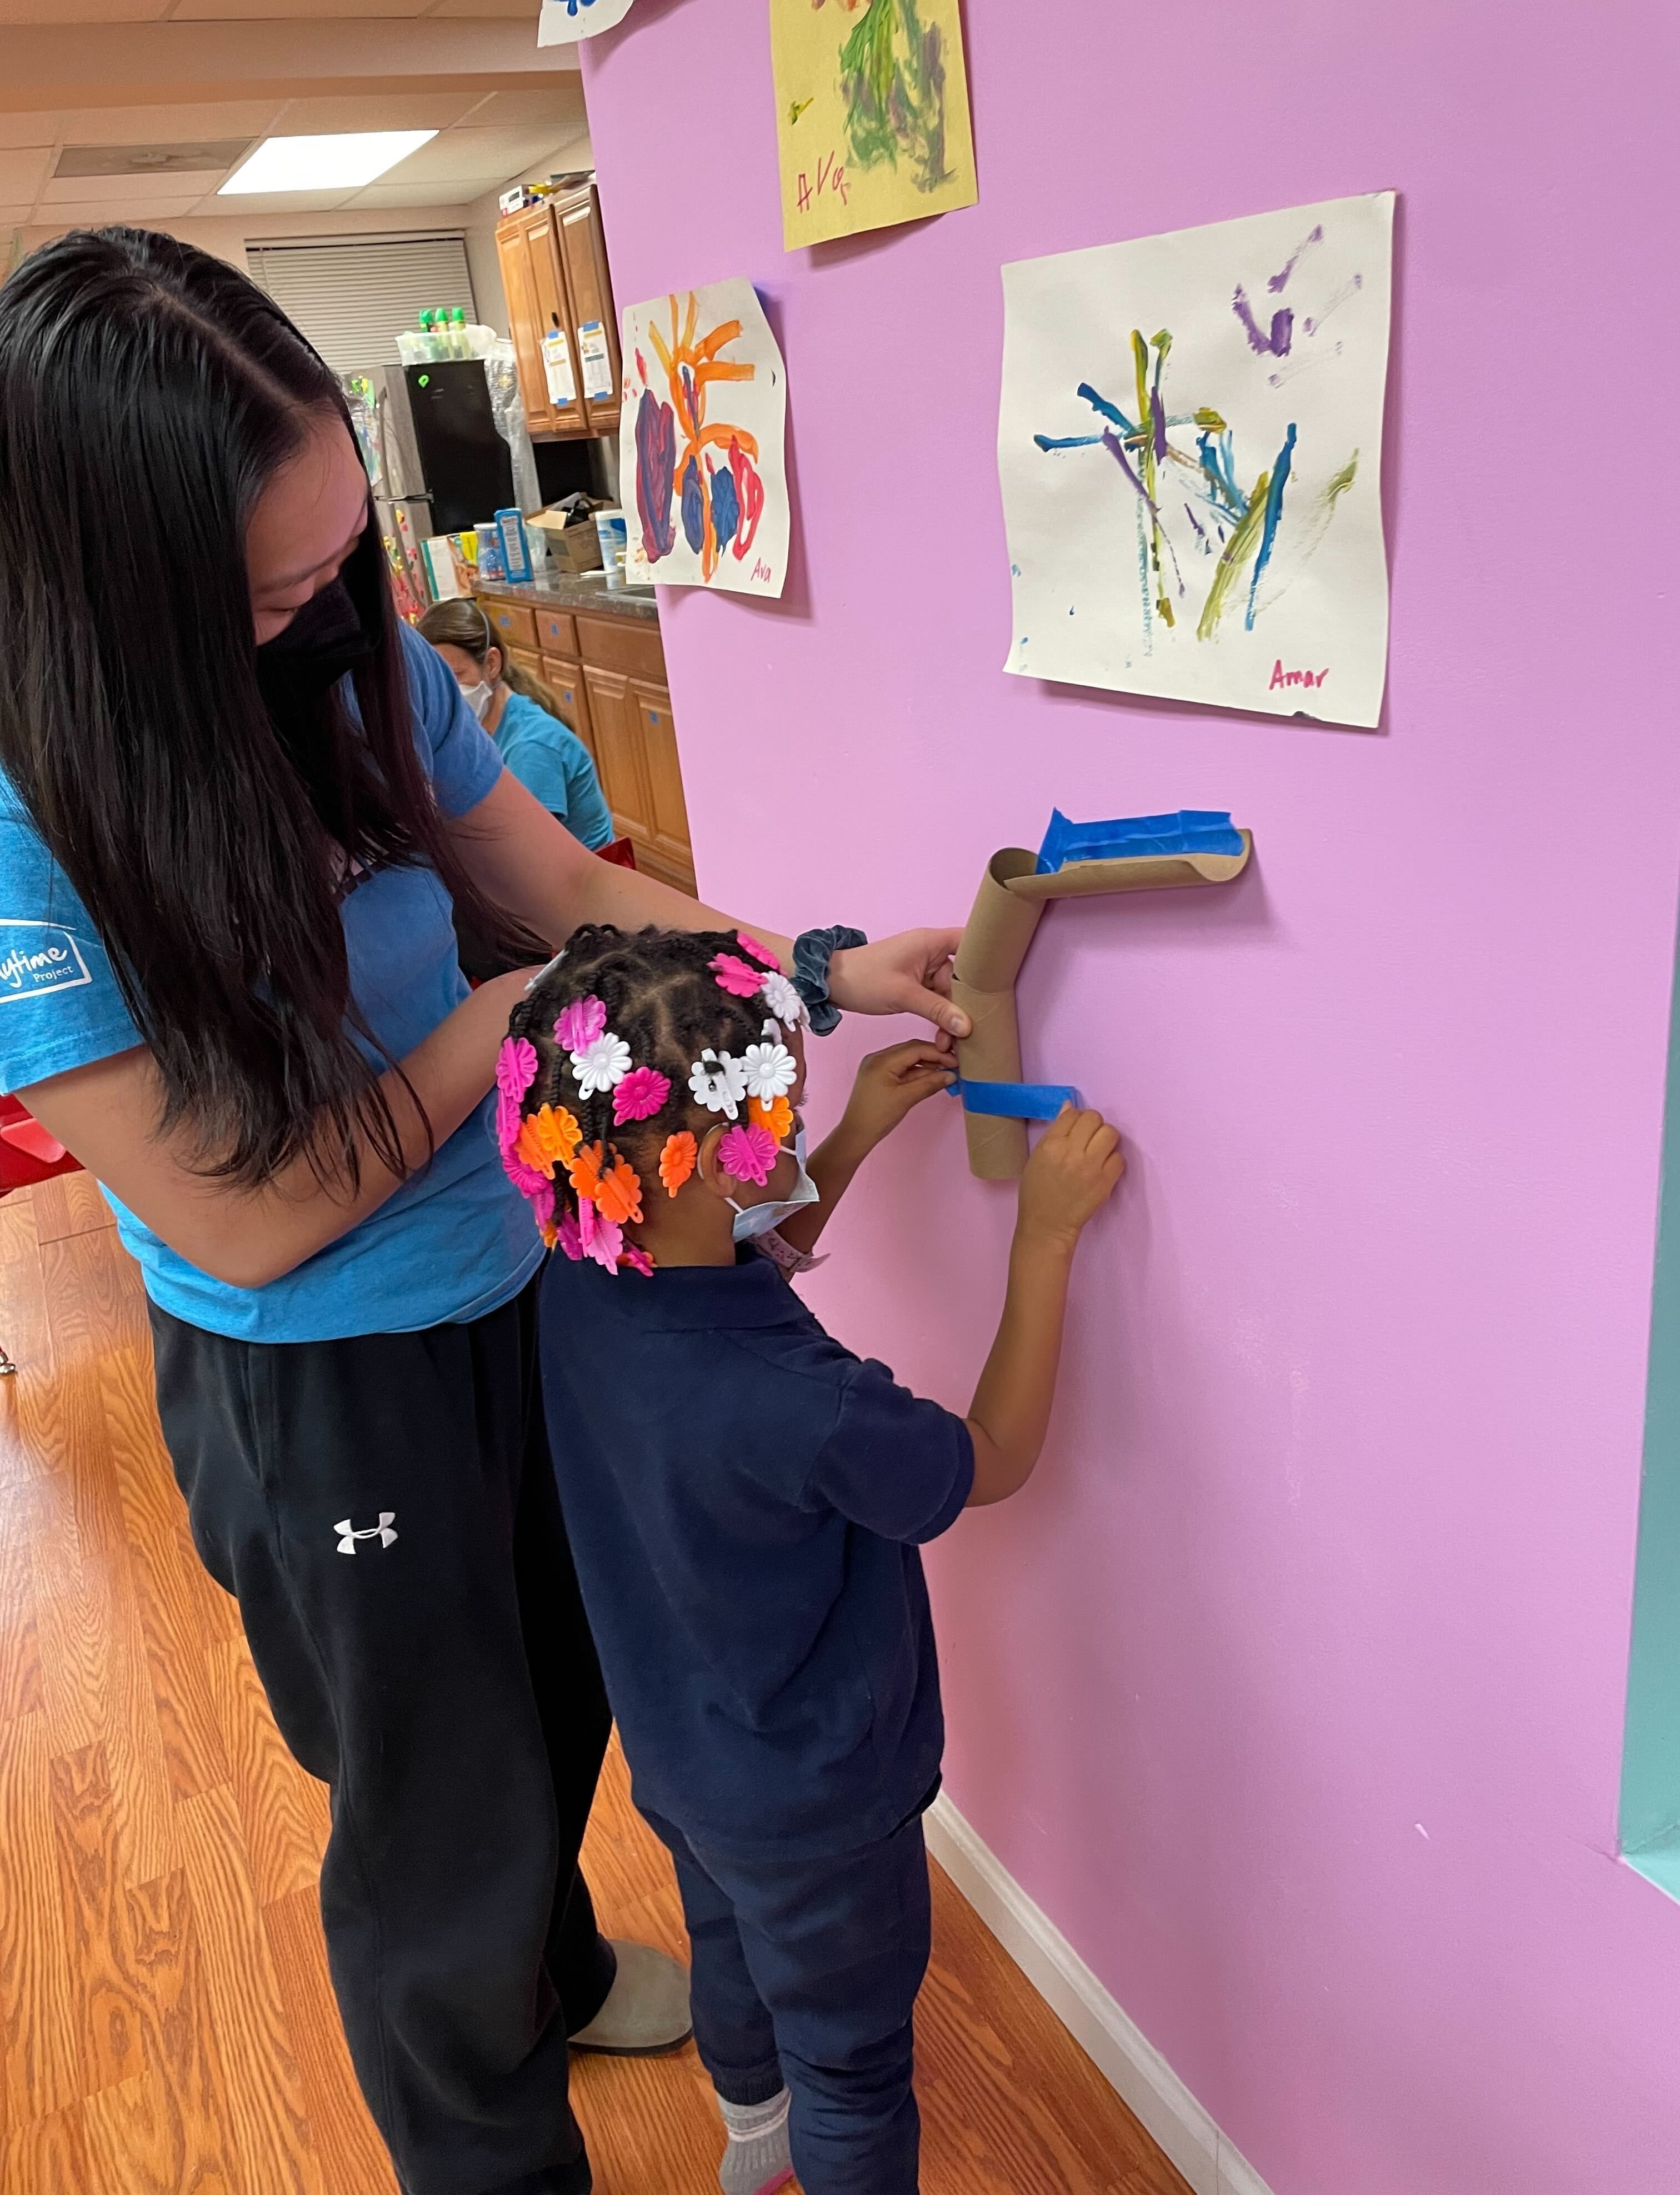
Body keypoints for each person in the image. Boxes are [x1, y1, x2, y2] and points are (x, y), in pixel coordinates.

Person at [0, 226, 973, 2195]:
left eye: (336, 557)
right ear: (118, 600)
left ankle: (545, 1951)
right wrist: (498, 1028)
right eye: (268, 588)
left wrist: (821, 965)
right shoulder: (29, 827)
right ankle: (492, 2133)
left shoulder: (353, 653)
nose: (324, 607)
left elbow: (561, 884)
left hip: (530, 1275)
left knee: (563, 1691)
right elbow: (251, 1218)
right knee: (435, 1822)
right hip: (324, 1376)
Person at [499, 925, 1124, 2195]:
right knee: (853, 2063)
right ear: (696, 1166)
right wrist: (1045, 1237)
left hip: (685, 1758)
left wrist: (845, 1144)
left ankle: (751, 2139)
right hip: (825, 1806)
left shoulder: (582, 1276)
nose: (783, 1137)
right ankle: (807, 2137)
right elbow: (988, 1458)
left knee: (729, 1943)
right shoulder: (811, 1407)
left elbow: (736, 1258)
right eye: (770, 1122)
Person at [418, 597, 614, 853]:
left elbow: (526, 856)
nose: (445, 694)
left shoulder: (532, 746)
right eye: (434, 682)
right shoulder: (485, 727)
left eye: (455, 676)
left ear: (491, 664)